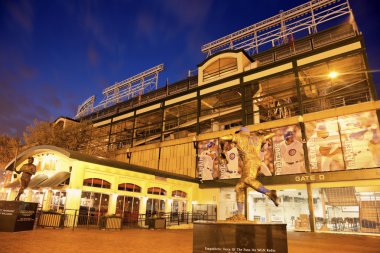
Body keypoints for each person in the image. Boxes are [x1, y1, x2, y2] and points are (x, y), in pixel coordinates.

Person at [220, 127, 280, 221]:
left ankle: (270, 192)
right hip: (255, 161)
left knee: (248, 179)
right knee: (239, 187)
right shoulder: (257, 137)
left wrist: (222, 152)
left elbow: (222, 138)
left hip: (249, 161)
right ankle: (240, 215)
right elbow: (272, 134)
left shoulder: (238, 136)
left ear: (240, 131)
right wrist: (264, 132)